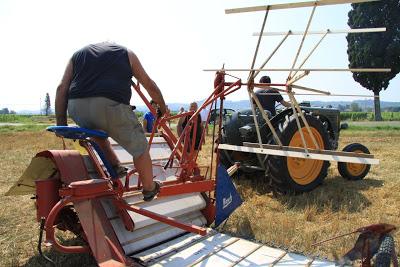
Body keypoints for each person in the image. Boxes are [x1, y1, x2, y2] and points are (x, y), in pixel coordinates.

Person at [55, 42, 166, 201]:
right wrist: (162, 107)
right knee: (140, 148)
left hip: (76, 107)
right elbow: (149, 85)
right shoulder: (127, 53)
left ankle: (115, 166)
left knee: (98, 133)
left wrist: (61, 123)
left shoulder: (77, 55)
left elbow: (61, 88)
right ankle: (149, 188)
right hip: (110, 105)